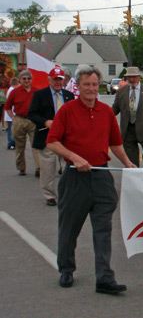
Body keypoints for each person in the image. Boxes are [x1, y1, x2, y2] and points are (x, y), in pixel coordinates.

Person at [46, 65, 136, 294]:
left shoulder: (106, 112)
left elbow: (115, 142)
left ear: (100, 86)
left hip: (101, 178)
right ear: (77, 86)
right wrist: (74, 157)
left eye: (95, 84)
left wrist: (127, 162)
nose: (91, 89)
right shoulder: (66, 111)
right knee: (69, 229)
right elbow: (52, 142)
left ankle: (105, 278)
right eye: (86, 84)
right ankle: (66, 269)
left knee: (103, 231)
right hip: (75, 179)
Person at [28, 66, 75, 206]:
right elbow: (31, 114)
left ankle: (67, 193)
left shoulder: (69, 95)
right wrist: (45, 121)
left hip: (66, 138)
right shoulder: (40, 95)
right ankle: (49, 195)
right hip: (46, 136)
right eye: (55, 79)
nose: (58, 82)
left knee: (68, 166)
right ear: (49, 80)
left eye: (60, 79)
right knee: (48, 167)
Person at [112, 66, 143, 168]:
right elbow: (115, 109)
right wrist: (103, 118)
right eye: (129, 77)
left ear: (139, 77)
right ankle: (134, 177)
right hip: (128, 130)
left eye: (134, 77)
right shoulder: (121, 92)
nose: (131, 79)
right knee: (131, 159)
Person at [4, 70, 40, 176]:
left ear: (31, 80)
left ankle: (38, 167)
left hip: (33, 120)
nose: (26, 80)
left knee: (36, 145)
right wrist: (13, 118)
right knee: (20, 146)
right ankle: (21, 168)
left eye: (28, 78)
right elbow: (8, 107)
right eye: (24, 78)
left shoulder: (36, 92)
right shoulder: (15, 92)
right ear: (20, 79)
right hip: (19, 119)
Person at [3, 77, 20, 149]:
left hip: (10, 113)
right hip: (11, 113)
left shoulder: (10, 89)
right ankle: (11, 143)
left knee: (12, 129)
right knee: (11, 130)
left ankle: (12, 143)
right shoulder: (13, 90)